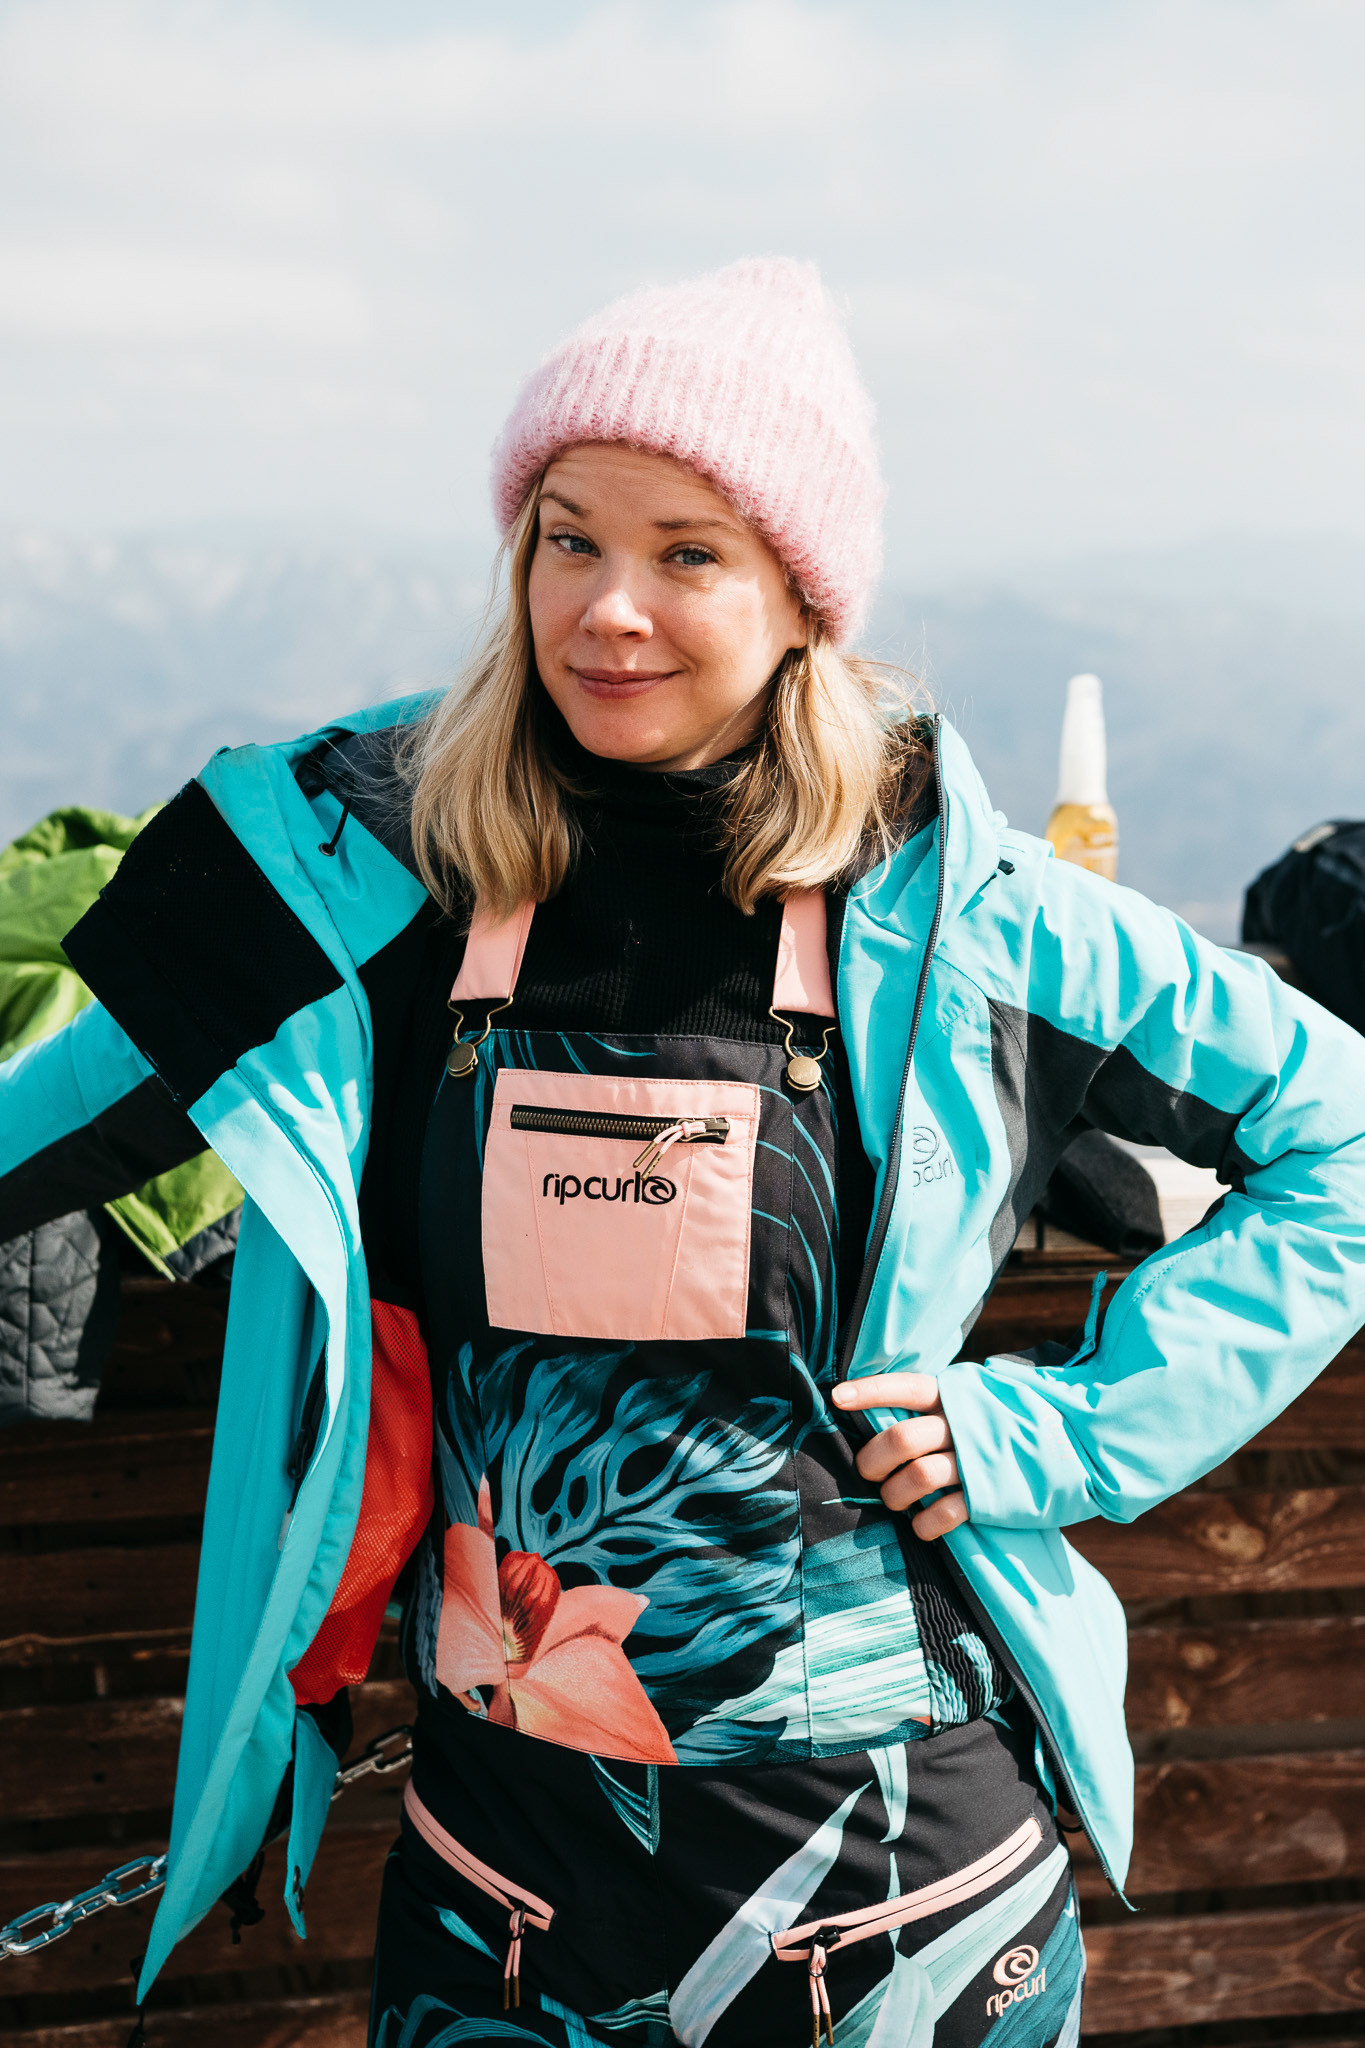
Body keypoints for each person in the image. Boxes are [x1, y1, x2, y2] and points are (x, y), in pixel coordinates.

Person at [2, 260, 1363, 2048]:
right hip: (501, 1898)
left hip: (897, 1908)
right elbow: (49, 1124)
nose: (609, 609)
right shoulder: (360, 877)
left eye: (687, 552)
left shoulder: (967, 914)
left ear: (803, 593)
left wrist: (1063, 1430)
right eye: (567, 540)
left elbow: (1335, 1131)